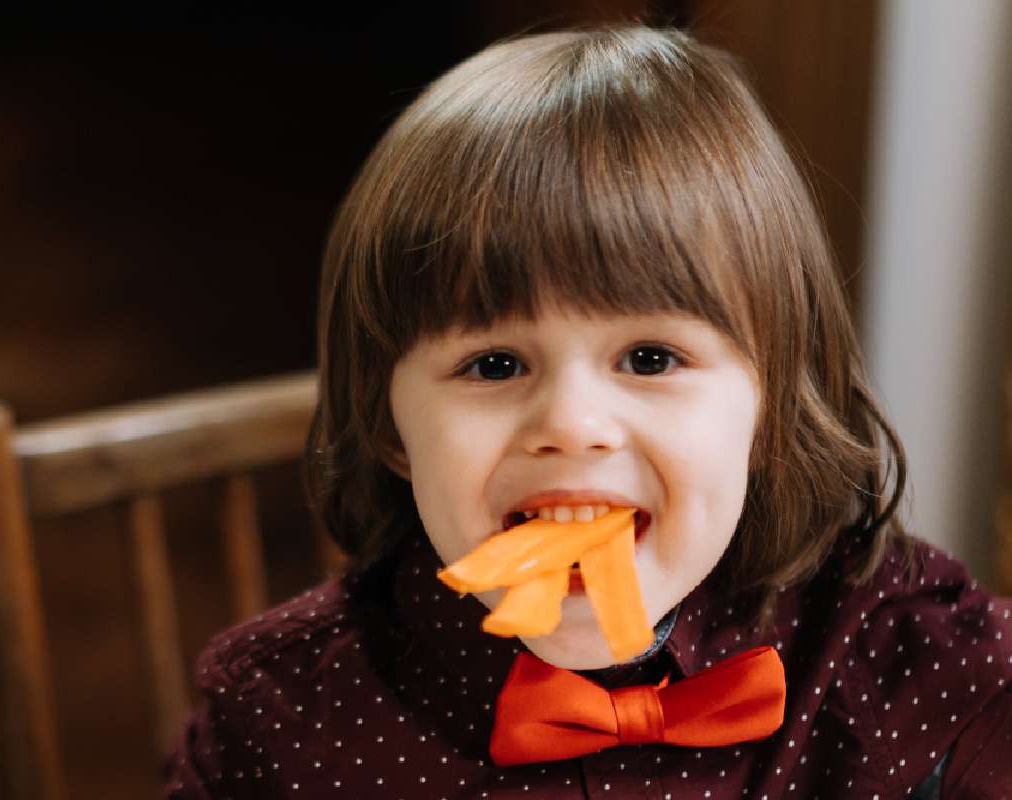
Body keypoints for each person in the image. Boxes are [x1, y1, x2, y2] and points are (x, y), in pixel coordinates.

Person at [164, 25, 1012, 798]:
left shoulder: (899, 652)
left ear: (767, 408)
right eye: (494, 364)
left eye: (650, 359)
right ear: (390, 428)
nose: (570, 424)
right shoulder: (277, 723)